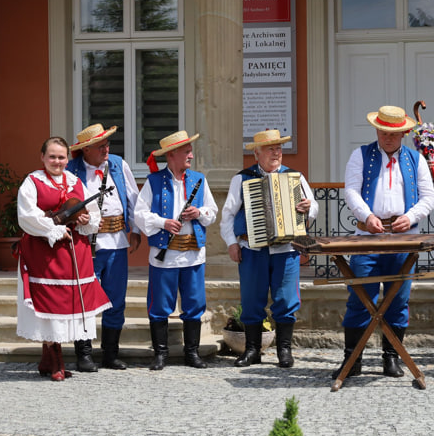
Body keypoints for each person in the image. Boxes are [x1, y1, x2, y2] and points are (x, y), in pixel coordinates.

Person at [334, 105, 434, 379]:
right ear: (377, 130)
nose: (387, 137)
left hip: (404, 239)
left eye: (392, 133)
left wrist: (411, 216)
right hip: (367, 238)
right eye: (382, 132)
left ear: (403, 133)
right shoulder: (361, 155)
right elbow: (352, 191)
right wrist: (366, 216)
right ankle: (352, 360)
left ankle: (391, 358)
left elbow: (429, 197)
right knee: (359, 298)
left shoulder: (416, 160)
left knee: (398, 300)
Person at [220, 129, 318, 368]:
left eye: (279, 148)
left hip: (286, 250)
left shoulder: (295, 176)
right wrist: (232, 243)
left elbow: (313, 207)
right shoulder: (241, 179)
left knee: (286, 300)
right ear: (257, 153)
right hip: (252, 249)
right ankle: (253, 351)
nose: (276, 153)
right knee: (252, 300)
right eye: (270, 148)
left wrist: (308, 208)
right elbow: (227, 216)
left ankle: (284, 351)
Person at [16, 136, 112, 381]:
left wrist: (84, 219)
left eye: (61, 157)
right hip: (44, 252)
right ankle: (55, 360)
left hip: (73, 253)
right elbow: (28, 216)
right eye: (52, 156)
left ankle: (49, 360)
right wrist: (54, 229)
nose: (57, 161)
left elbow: (92, 214)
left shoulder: (75, 181)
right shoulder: (33, 181)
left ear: (68, 159)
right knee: (49, 304)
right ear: (42, 157)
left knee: (66, 305)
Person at [134, 131, 218, 371]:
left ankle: (192, 353)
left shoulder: (199, 180)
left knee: (194, 304)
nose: (191, 155)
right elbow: (139, 214)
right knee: (160, 305)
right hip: (165, 255)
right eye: (186, 151)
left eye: (190, 151)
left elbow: (212, 211)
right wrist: (163, 222)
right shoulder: (153, 182)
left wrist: (198, 213)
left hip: (192, 254)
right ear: (171, 155)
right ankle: (160, 354)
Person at [66, 124, 142, 371]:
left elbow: (133, 198)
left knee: (116, 299)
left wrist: (136, 230)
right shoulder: (71, 170)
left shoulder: (119, 164)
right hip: (85, 245)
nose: (107, 149)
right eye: (101, 146)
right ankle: (84, 355)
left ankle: (110, 354)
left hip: (117, 242)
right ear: (86, 149)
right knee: (84, 298)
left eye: (108, 144)